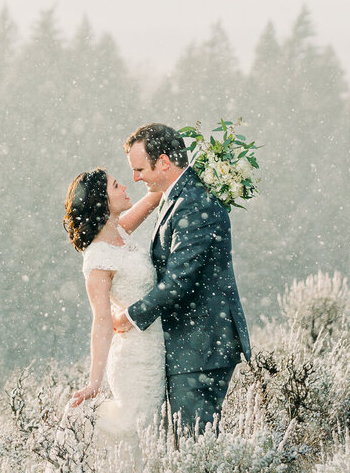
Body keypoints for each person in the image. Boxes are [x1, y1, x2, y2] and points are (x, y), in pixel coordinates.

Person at [112, 123, 251, 434]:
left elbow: (179, 281)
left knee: (193, 450)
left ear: (163, 162)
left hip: (200, 347)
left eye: (139, 169)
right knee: (188, 447)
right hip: (192, 347)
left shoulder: (194, 201)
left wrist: (131, 316)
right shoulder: (180, 195)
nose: (136, 178)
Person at [64, 168, 166, 444]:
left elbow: (155, 195)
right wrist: (93, 383)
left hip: (156, 346)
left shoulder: (121, 229)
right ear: (102, 200)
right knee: (140, 433)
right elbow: (101, 321)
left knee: (157, 432)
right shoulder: (97, 257)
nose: (124, 187)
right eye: (116, 186)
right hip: (134, 358)